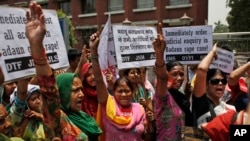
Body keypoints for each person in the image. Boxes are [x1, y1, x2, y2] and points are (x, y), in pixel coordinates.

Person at [25, 2, 101, 140]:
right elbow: (49, 93)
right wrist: (37, 47)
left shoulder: (83, 116)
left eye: (81, 89)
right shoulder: (58, 120)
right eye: (75, 90)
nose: (81, 95)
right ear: (63, 93)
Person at [89, 32, 146, 141]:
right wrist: (93, 53)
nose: (123, 94)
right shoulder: (109, 105)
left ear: (132, 92)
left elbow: (146, 136)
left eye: (127, 91)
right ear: (113, 92)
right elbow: (99, 80)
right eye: (120, 91)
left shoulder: (139, 109)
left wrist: (150, 125)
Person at [152, 23, 192, 140]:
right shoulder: (163, 96)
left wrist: (187, 95)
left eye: (181, 74)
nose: (179, 78)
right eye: (174, 74)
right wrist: (159, 54)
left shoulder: (182, 97)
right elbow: (162, 78)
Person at [192, 43, 235, 127]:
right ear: (206, 85)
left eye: (223, 81)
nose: (220, 83)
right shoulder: (201, 102)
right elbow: (201, 69)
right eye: (215, 81)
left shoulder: (228, 108)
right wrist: (212, 52)